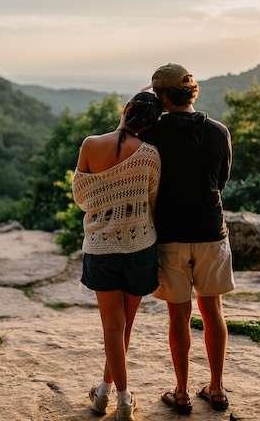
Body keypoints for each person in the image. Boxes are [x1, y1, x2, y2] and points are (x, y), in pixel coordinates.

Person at [142, 63, 234, 415]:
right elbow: (221, 180)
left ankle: (180, 393)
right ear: (192, 93)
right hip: (211, 230)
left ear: (162, 96)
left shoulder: (152, 133)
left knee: (178, 317)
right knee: (213, 311)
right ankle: (217, 388)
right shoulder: (218, 131)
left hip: (170, 235)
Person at [72, 92, 163, 421]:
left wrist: (106, 193)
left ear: (126, 110)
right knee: (124, 328)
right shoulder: (151, 155)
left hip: (101, 247)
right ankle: (116, 397)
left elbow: (82, 197)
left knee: (112, 327)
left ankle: (112, 396)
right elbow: (151, 200)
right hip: (140, 246)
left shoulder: (89, 144)